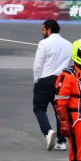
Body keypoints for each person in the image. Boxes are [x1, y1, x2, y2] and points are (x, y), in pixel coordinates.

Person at [32, 19, 72, 151]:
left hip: (45, 80)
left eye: (43, 30)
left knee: (39, 108)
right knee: (60, 111)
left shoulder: (44, 43)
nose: (42, 32)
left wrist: (36, 79)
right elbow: (71, 65)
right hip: (62, 81)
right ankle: (61, 141)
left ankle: (48, 132)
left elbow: (38, 64)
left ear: (49, 30)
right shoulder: (68, 44)